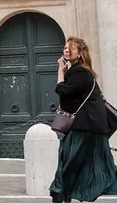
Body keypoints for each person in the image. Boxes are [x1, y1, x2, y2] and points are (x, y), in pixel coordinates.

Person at [50, 36, 117, 203]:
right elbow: (68, 98)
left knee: (70, 163)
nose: (66, 50)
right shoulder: (79, 72)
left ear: (79, 54)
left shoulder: (80, 72)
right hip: (90, 127)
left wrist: (60, 71)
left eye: (70, 48)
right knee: (92, 165)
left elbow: (63, 94)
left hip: (85, 128)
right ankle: (63, 196)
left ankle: (61, 196)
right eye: (65, 47)